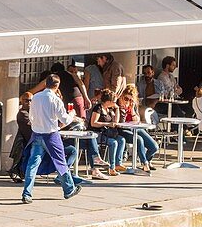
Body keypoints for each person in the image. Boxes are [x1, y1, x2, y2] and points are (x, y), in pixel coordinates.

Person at [21, 74, 82, 203]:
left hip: (37, 134)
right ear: (57, 85)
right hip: (51, 135)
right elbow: (64, 119)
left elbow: (31, 117)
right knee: (60, 162)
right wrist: (72, 114)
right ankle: (69, 189)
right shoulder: (56, 100)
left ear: (45, 84)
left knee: (32, 165)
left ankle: (27, 193)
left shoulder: (36, 97)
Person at [90, 91, 127, 174]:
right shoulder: (98, 108)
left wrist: (117, 109)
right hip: (98, 134)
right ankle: (111, 167)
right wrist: (107, 124)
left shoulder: (109, 109)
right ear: (108, 101)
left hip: (108, 133)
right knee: (113, 143)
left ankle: (118, 163)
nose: (114, 103)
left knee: (121, 140)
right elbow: (93, 123)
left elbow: (116, 121)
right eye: (113, 101)